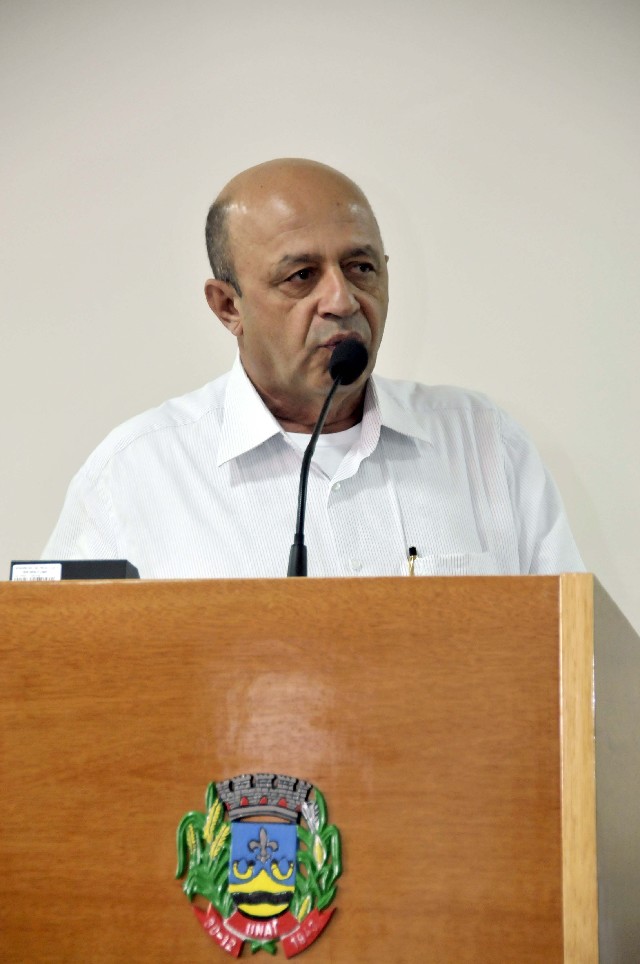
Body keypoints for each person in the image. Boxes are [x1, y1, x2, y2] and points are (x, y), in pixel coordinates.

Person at [43, 158, 584, 578]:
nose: (342, 300)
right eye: (301, 276)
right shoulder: (135, 475)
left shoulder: (481, 441)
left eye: (361, 267)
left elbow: (576, 655)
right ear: (228, 307)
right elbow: (55, 672)